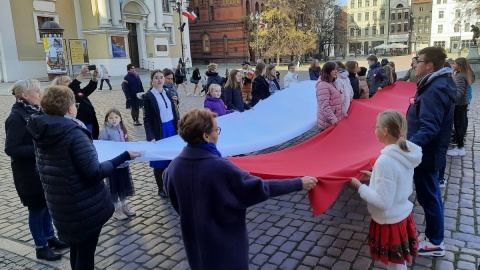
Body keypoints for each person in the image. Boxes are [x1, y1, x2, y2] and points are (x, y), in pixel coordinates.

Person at [163, 108, 318, 270]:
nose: (218, 134)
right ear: (206, 136)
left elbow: (172, 195)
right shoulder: (220, 167)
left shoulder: (173, 167)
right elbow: (259, 188)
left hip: (194, 247)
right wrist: (298, 183)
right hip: (225, 248)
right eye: (217, 130)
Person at [26, 85, 140, 270]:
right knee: (85, 255)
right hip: (83, 206)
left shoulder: (43, 129)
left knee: (77, 251)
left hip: (61, 204)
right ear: (70, 108)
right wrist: (124, 156)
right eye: (75, 104)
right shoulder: (73, 133)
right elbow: (94, 172)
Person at [350, 110, 422, 270]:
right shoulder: (404, 151)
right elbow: (397, 179)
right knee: (399, 262)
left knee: (394, 264)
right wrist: (374, 175)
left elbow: (383, 202)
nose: (374, 128)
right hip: (401, 214)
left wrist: (360, 187)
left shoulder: (385, 161)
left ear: (385, 131)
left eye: (376, 126)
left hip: (389, 220)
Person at [5, 80, 68, 261]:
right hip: (28, 175)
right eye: (37, 91)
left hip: (40, 170)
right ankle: (41, 247)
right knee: (36, 210)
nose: (40, 94)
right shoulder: (16, 117)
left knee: (46, 206)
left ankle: (50, 238)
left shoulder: (34, 111)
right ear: (25, 95)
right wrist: (40, 148)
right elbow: (11, 149)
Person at [406, 46, 456, 257]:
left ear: (430, 65)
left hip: (426, 154)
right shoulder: (437, 84)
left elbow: (430, 127)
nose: (415, 63)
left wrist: (405, 146)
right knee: (431, 195)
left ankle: (435, 242)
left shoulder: (434, 89)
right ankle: (435, 238)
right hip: (430, 152)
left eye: (418, 60)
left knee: (429, 197)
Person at [143, 69, 179, 198]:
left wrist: (178, 127)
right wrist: (151, 136)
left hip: (171, 128)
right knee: (159, 161)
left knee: (172, 159)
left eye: (161, 77)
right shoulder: (148, 96)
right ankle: (161, 188)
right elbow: (146, 119)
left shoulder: (168, 92)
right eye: (156, 77)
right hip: (160, 129)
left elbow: (174, 113)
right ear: (152, 80)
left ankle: (172, 185)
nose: (159, 80)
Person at [98, 108, 136, 220]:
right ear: (107, 119)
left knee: (123, 186)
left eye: (116, 117)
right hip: (113, 165)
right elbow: (102, 146)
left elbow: (126, 142)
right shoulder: (105, 131)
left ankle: (124, 205)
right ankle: (116, 209)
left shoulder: (122, 129)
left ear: (120, 118)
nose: (114, 120)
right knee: (114, 187)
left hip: (123, 164)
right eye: (111, 118)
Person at [51, 67, 100, 139]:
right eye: (66, 81)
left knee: (93, 138)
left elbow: (89, 89)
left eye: (70, 80)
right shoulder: (63, 94)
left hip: (90, 120)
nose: (70, 82)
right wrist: (81, 74)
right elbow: (72, 87)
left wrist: (94, 78)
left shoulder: (77, 91)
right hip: (79, 122)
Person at [447, 58, 472, 157]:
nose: (453, 65)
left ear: (460, 66)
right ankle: (459, 146)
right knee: (459, 125)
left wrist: (453, 99)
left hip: (459, 104)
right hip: (462, 104)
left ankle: (460, 147)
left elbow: (460, 91)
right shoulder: (463, 74)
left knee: (458, 126)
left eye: (455, 64)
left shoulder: (460, 76)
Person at [316, 62, 345, 131]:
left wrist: (343, 113)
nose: (336, 71)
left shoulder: (331, 83)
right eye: (333, 69)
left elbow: (335, 102)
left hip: (333, 121)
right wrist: (334, 120)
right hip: (328, 124)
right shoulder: (323, 85)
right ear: (328, 71)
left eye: (336, 69)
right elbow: (325, 106)